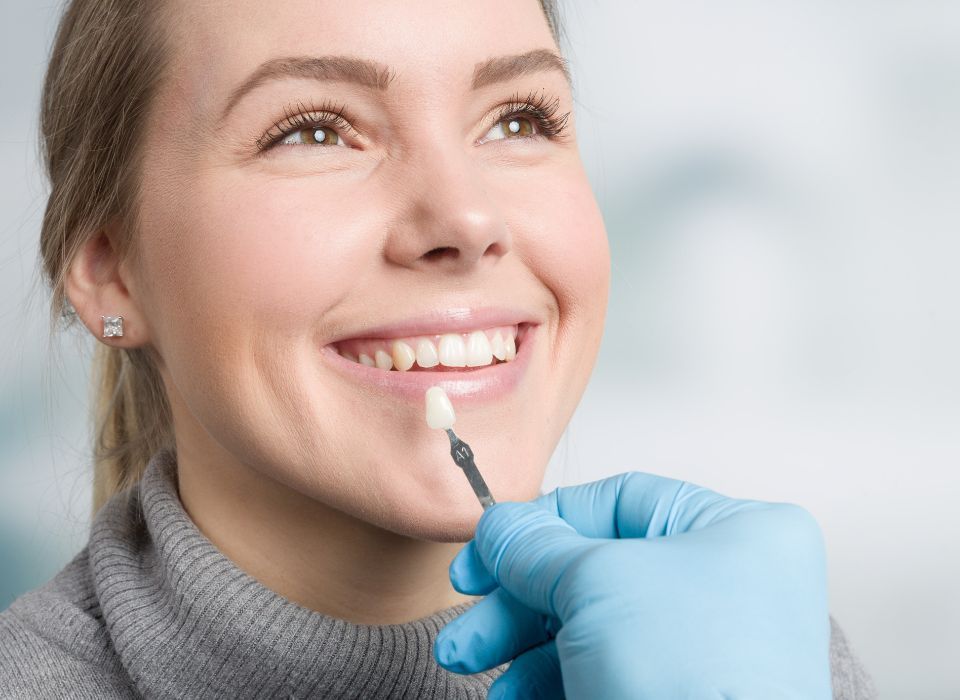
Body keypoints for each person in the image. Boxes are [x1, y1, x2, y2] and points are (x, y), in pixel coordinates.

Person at [0, 0, 875, 697]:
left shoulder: (758, 662)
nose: (465, 217)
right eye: (312, 129)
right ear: (111, 272)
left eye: (517, 119)